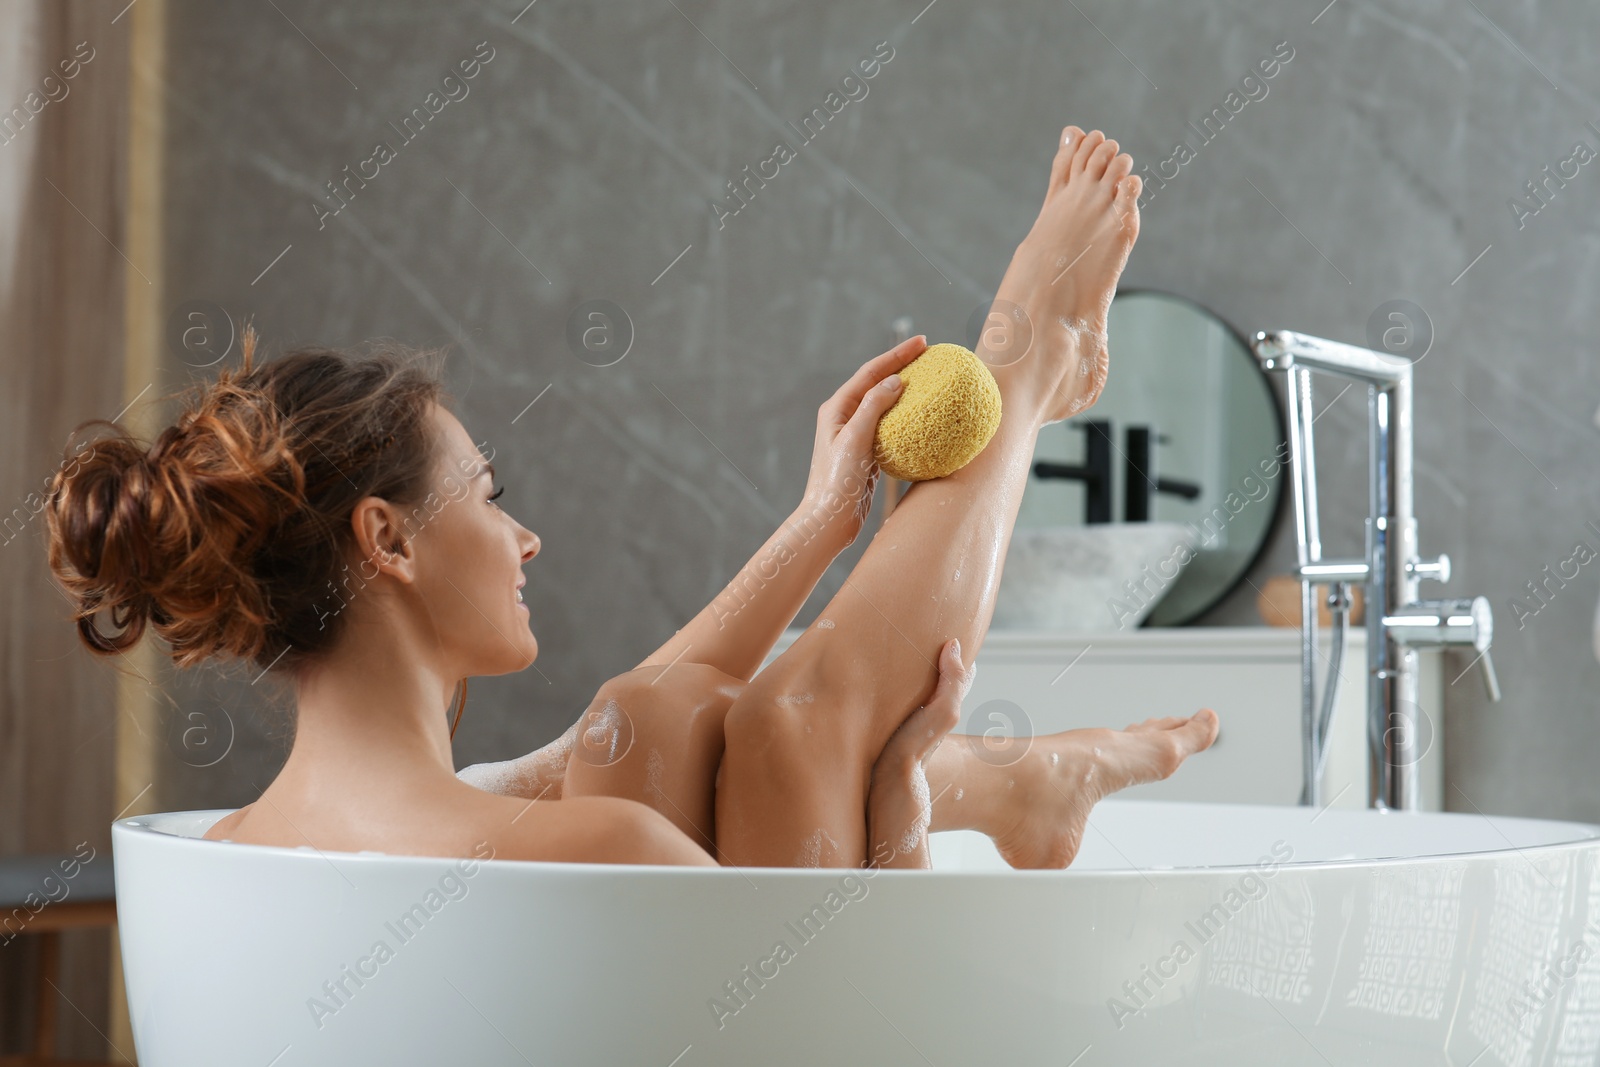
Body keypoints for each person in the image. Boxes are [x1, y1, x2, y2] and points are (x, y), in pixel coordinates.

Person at [45, 125, 1217, 871]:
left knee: (639, 721)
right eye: (490, 494)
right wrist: (898, 802)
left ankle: (1023, 783)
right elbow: (840, 1023)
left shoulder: (237, 849)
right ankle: (1026, 368)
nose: (524, 533)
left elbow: (575, 747)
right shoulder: (602, 844)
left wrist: (821, 521)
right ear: (386, 537)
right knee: (792, 724)